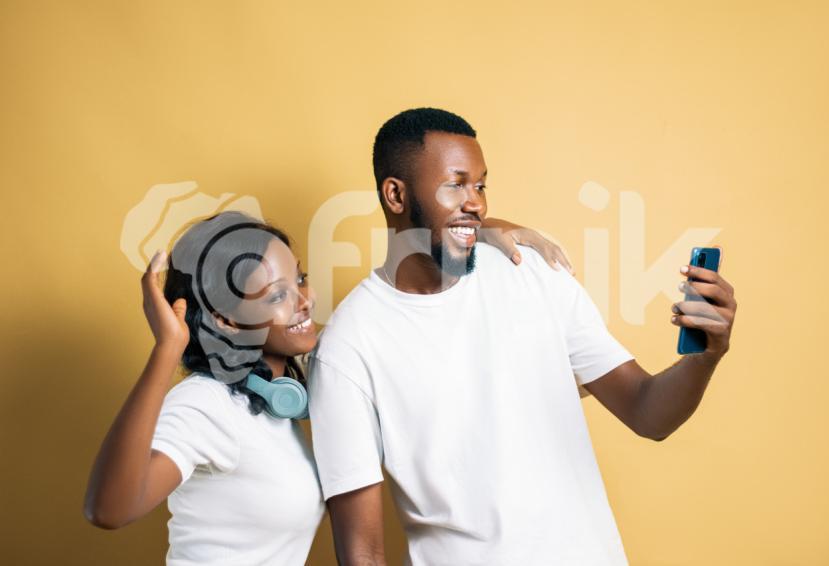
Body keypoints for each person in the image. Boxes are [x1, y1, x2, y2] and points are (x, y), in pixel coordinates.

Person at [307, 108, 738, 565]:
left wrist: (705, 356)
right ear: (395, 195)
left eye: (481, 185)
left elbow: (649, 413)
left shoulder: (531, 271)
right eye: (455, 184)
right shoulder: (348, 347)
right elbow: (363, 553)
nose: (475, 203)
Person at [84, 209, 570, 565]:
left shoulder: (291, 391)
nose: (302, 301)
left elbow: (405, 311)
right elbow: (110, 509)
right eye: (276, 295)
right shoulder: (206, 404)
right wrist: (166, 349)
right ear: (224, 319)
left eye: (300, 279)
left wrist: (479, 230)